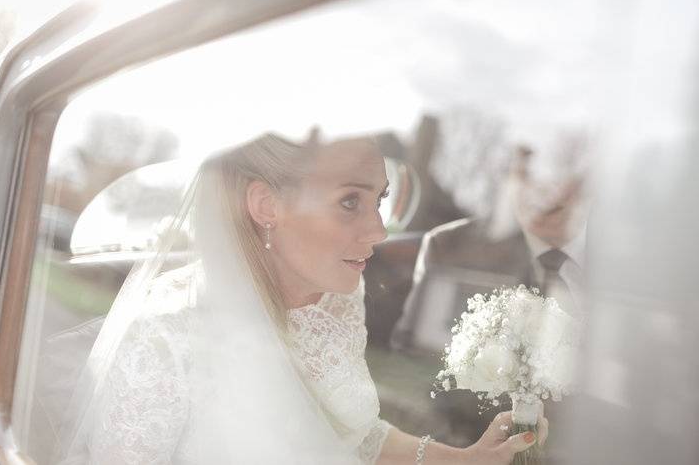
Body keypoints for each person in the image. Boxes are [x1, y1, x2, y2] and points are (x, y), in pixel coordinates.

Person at [53, 133, 546, 464]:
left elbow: (358, 434)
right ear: (267, 205)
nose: (377, 230)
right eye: (350, 201)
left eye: (378, 200)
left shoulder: (337, 305)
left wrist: (465, 458)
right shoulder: (161, 336)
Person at [391, 137, 588, 455]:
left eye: (562, 169)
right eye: (528, 166)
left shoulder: (632, 272)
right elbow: (421, 373)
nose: (545, 187)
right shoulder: (448, 247)